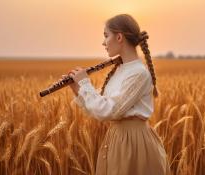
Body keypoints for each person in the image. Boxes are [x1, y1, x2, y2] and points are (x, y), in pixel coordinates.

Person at [67, 14, 171, 175]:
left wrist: (86, 84)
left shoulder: (138, 73)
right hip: (118, 139)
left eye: (106, 36)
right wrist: (78, 89)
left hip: (135, 145)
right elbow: (98, 110)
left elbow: (110, 110)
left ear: (119, 37)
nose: (103, 42)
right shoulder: (121, 70)